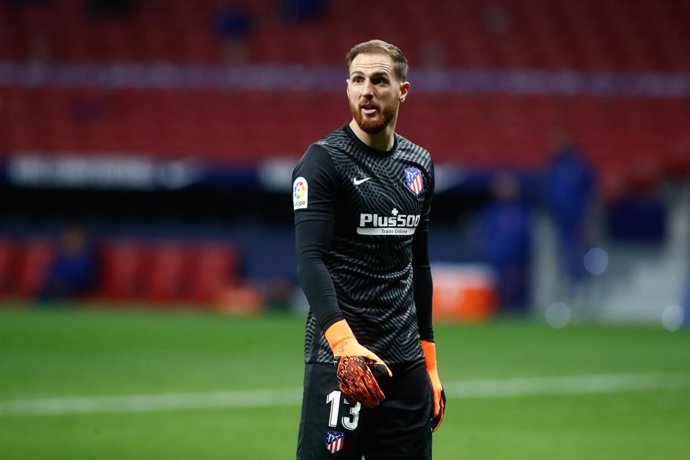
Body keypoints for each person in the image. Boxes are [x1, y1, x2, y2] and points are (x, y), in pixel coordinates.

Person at [292, 39, 445, 460]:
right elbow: (310, 260)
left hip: (405, 363)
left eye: (379, 80)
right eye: (357, 80)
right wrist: (344, 346)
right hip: (341, 363)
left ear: (402, 91)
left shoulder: (420, 164)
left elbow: (420, 265)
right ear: (346, 88)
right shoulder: (323, 161)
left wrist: (429, 363)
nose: (367, 91)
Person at [544, 129, 596, 294]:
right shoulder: (553, 165)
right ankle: (564, 285)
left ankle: (580, 286)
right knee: (561, 254)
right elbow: (547, 192)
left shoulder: (580, 165)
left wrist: (588, 219)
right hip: (558, 220)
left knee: (579, 253)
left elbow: (590, 194)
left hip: (578, 220)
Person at [479, 172, 532, 313]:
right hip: (496, 262)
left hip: (517, 264)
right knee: (496, 299)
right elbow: (486, 237)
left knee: (517, 300)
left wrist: (521, 262)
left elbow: (525, 239)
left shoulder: (522, 211)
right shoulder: (491, 211)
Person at [39, 224, 97, 302]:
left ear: (82, 240)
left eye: (75, 238)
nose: (71, 241)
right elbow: (50, 274)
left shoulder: (87, 259)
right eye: (68, 238)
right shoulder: (59, 258)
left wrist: (66, 285)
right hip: (54, 290)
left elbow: (88, 279)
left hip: (76, 291)